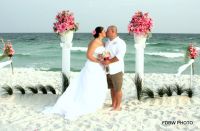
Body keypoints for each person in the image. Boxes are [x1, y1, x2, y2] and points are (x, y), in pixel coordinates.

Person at [43, 26, 108, 120]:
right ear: (100, 33)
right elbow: (89, 55)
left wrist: (104, 58)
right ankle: (86, 103)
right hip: (93, 66)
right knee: (89, 85)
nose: (105, 32)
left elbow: (102, 54)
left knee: (97, 84)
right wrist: (100, 61)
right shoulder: (94, 42)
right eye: (104, 31)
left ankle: (95, 102)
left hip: (99, 67)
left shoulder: (102, 42)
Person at [102, 25, 126, 111]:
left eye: (107, 31)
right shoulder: (108, 42)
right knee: (112, 88)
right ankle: (113, 104)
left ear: (113, 32)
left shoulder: (121, 42)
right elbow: (105, 53)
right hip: (108, 70)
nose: (106, 33)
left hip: (117, 70)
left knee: (117, 89)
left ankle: (118, 106)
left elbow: (119, 56)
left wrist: (109, 61)